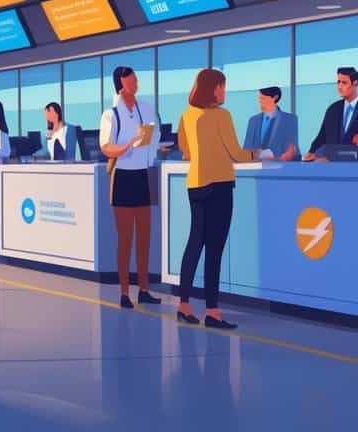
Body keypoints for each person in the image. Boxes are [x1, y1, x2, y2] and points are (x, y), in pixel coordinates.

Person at [176, 69, 258, 330]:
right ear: (213, 88)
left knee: (194, 242)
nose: (224, 92)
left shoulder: (187, 114)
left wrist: (199, 153)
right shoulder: (222, 116)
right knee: (215, 249)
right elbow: (236, 152)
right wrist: (260, 154)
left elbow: (183, 147)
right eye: (222, 87)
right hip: (220, 186)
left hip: (196, 185)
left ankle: (184, 305)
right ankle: (212, 310)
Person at [99, 65, 162, 309]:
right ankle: (125, 292)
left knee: (144, 237)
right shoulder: (110, 114)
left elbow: (154, 135)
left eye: (136, 80)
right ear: (120, 85)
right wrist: (126, 147)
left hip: (142, 175)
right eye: (131, 81)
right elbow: (106, 146)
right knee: (125, 238)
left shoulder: (145, 108)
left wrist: (151, 148)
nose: (135, 84)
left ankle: (144, 289)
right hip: (122, 177)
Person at [305, 67, 358, 161]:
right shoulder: (332, 109)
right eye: (338, 82)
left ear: (355, 83)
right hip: (332, 166)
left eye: (344, 83)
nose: (340, 87)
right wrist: (311, 152)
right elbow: (322, 137)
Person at [242, 86, 298, 161]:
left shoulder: (290, 119)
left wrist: (277, 159)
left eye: (263, 99)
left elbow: (292, 151)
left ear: (275, 97)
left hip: (280, 168)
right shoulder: (253, 120)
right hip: (256, 168)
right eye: (259, 98)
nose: (260, 101)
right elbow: (246, 149)